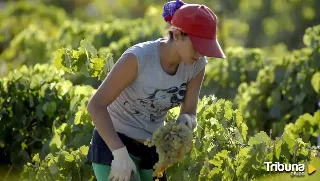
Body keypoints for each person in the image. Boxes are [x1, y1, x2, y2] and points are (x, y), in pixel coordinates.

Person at [86, 0, 226, 181]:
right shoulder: (139, 58)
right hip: (113, 143)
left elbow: (190, 111)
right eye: (197, 46)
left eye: (205, 48)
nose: (201, 53)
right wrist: (119, 154)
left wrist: (187, 121)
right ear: (177, 34)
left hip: (152, 149)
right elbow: (95, 105)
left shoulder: (197, 66)